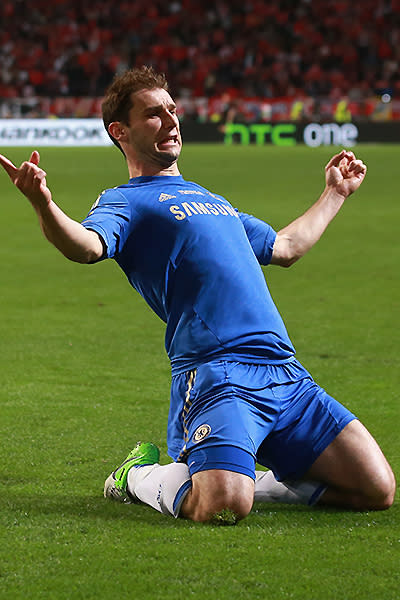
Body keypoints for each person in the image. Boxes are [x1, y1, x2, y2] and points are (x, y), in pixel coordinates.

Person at [0, 66, 395, 524]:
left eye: (172, 110)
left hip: (285, 372)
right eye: (153, 114)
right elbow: (87, 247)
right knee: (222, 507)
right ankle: (137, 475)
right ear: (120, 131)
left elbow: (284, 248)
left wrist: (335, 193)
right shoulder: (126, 201)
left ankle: (252, 479)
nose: (171, 121)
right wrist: (44, 203)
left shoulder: (214, 200)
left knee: (375, 488)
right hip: (217, 371)